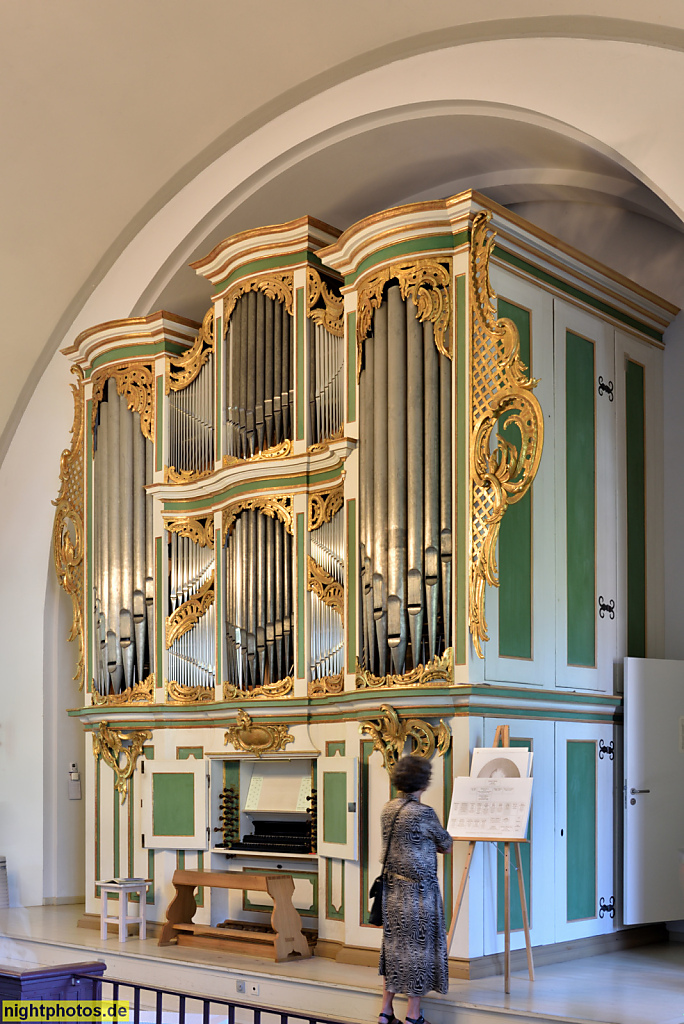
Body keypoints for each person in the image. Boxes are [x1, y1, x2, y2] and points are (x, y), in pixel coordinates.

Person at [377, 754, 452, 1024]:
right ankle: (413, 1015)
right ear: (423, 782)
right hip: (419, 892)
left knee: (394, 949)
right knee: (419, 950)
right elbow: (446, 843)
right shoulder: (422, 813)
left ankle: (386, 1011)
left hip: (393, 890)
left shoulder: (387, 809)